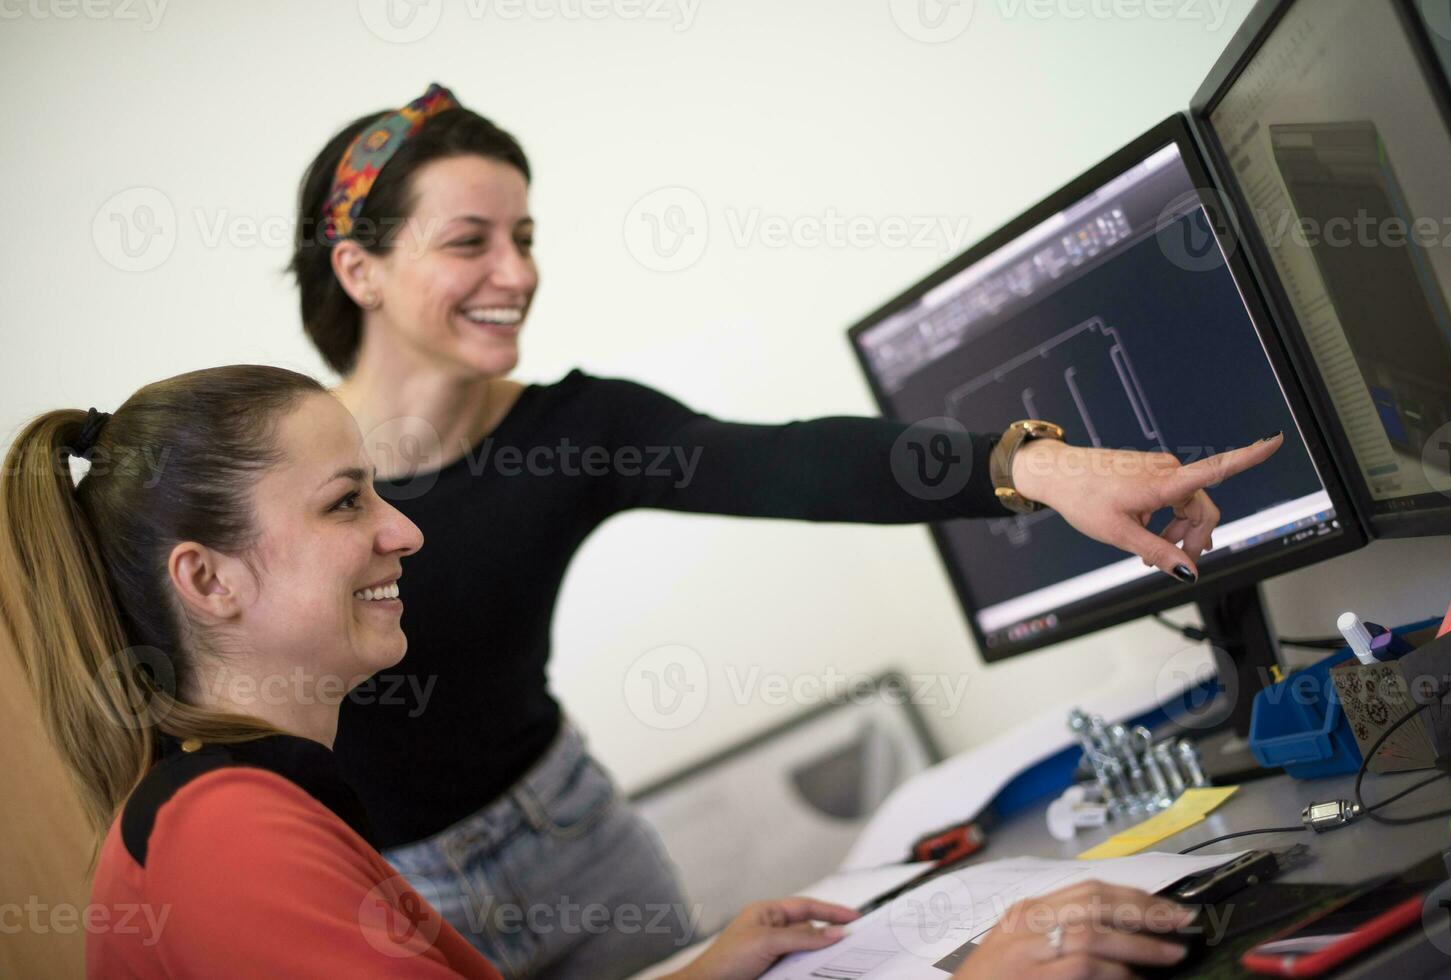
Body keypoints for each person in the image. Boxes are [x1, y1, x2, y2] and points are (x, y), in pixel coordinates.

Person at [288, 83, 1284, 979]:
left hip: (578, 839)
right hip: (398, 893)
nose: (516, 271)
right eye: (470, 241)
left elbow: (793, 461)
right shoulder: (274, 471)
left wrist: (1032, 464)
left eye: (526, 235)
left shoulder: (576, 428)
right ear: (360, 269)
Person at [0, 365, 1198, 979]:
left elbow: (778, 460)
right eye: (345, 502)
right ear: (209, 583)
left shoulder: (235, 804)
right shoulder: (233, 840)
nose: (404, 530)